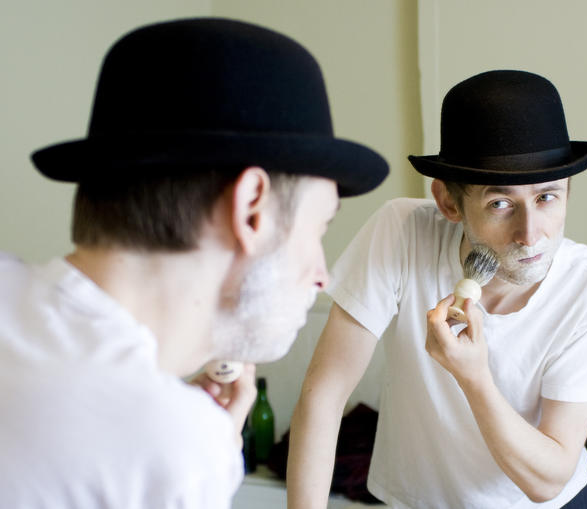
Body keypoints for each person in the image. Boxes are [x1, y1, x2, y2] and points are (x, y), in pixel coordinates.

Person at [0, 18, 387, 508]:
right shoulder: (170, 446)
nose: (321, 274)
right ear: (252, 209)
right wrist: (194, 450)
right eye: (319, 228)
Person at [287, 70, 587, 509]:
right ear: (449, 202)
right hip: (414, 500)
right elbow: (325, 395)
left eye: (547, 197)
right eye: (500, 203)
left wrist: (474, 377)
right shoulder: (403, 232)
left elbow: (547, 481)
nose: (530, 234)